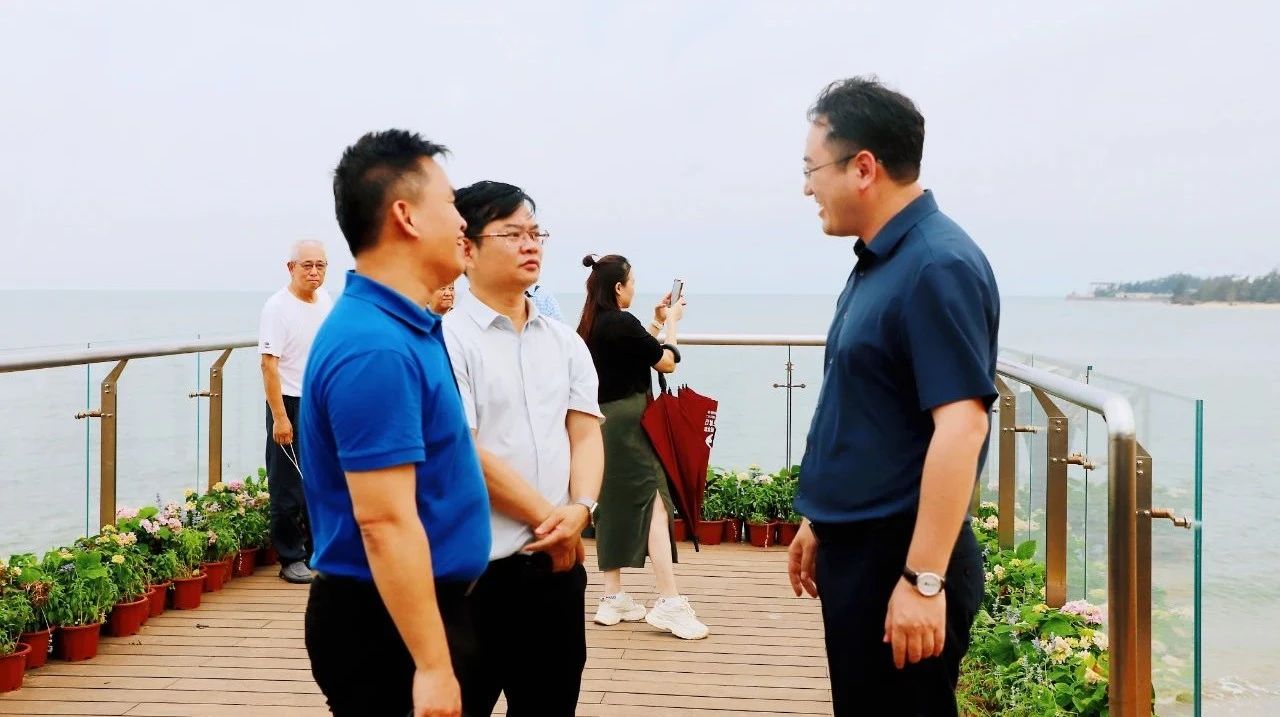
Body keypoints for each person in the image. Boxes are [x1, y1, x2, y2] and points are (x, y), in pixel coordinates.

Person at [786, 77, 1000, 716]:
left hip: (901, 559)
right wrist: (821, 521)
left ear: (863, 168)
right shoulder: (883, 261)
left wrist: (923, 580)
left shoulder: (936, 265)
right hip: (862, 550)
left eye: (811, 170)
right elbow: (870, 407)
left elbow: (963, 426)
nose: (806, 188)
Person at [300, 129, 491, 717]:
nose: (463, 221)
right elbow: (383, 521)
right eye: (451, 203)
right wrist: (432, 666)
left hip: (418, 612)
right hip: (386, 630)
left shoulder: (405, 328)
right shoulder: (374, 347)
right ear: (406, 216)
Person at [443, 180, 604, 716]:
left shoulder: (565, 342)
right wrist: (554, 523)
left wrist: (581, 508)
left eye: (536, 233)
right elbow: (463, 453)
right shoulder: (445, 340)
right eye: (512, 234)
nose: (530, 244)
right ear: (466, 248)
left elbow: (585, 433)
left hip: (555, 570)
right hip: (474, 575)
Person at [576, 254, 708, 641]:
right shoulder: (620, 322)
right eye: (632, 282)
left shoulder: (592, 323)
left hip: (602, 421)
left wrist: (655, 321)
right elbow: (665, 363)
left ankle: (612, 596)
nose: (634, 287)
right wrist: (673, 323)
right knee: (655, 500)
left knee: (611, 503)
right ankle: (669, 601)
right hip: (630, 422)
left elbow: (634, 351)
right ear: (619, 287)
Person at [258, 238, 333, 584]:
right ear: (291, 268)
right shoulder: (277, 308)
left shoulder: (325, 301)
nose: (314, 271)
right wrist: (280, 417)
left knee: (321, 481)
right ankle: (291, 557)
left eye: (320, 265)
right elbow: (268, 365)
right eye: (307, 265)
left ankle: (320, 550)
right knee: (287, 485)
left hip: (319, 403)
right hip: (289, 402)